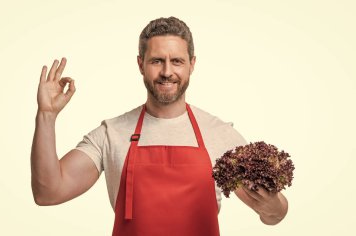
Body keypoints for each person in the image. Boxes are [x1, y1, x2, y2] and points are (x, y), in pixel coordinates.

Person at [31, 16, 288, 235]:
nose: (167, 71)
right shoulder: (111, 133)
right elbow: (48, 193)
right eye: (156, 61)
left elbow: (274, 215)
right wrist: (46, 115)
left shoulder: (219, 134)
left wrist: (272, 204)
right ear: (140, 64)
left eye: (176, 61)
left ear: (192, 65)